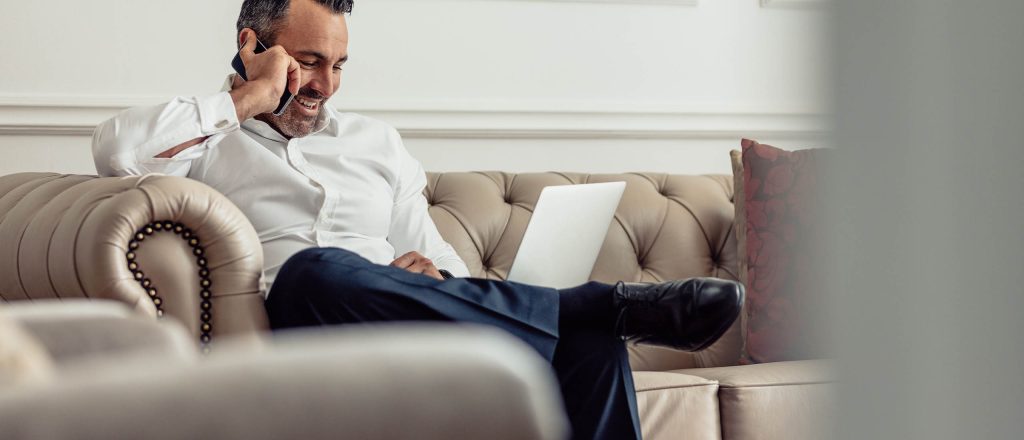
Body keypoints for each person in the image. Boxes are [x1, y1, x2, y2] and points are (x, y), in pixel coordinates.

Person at [91, 1, 744, 438]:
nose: (325, 84)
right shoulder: (202, 141)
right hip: (298, 318)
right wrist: (248, 98)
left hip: (405, 319)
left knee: (591, 341)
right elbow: (115, 151)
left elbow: (443, 258)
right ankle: (597, 304)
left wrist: (434, 274)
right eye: (309, 61)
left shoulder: (377, 143)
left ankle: (591, 312)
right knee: (314, 270)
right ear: (252, 44)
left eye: (339, 65)